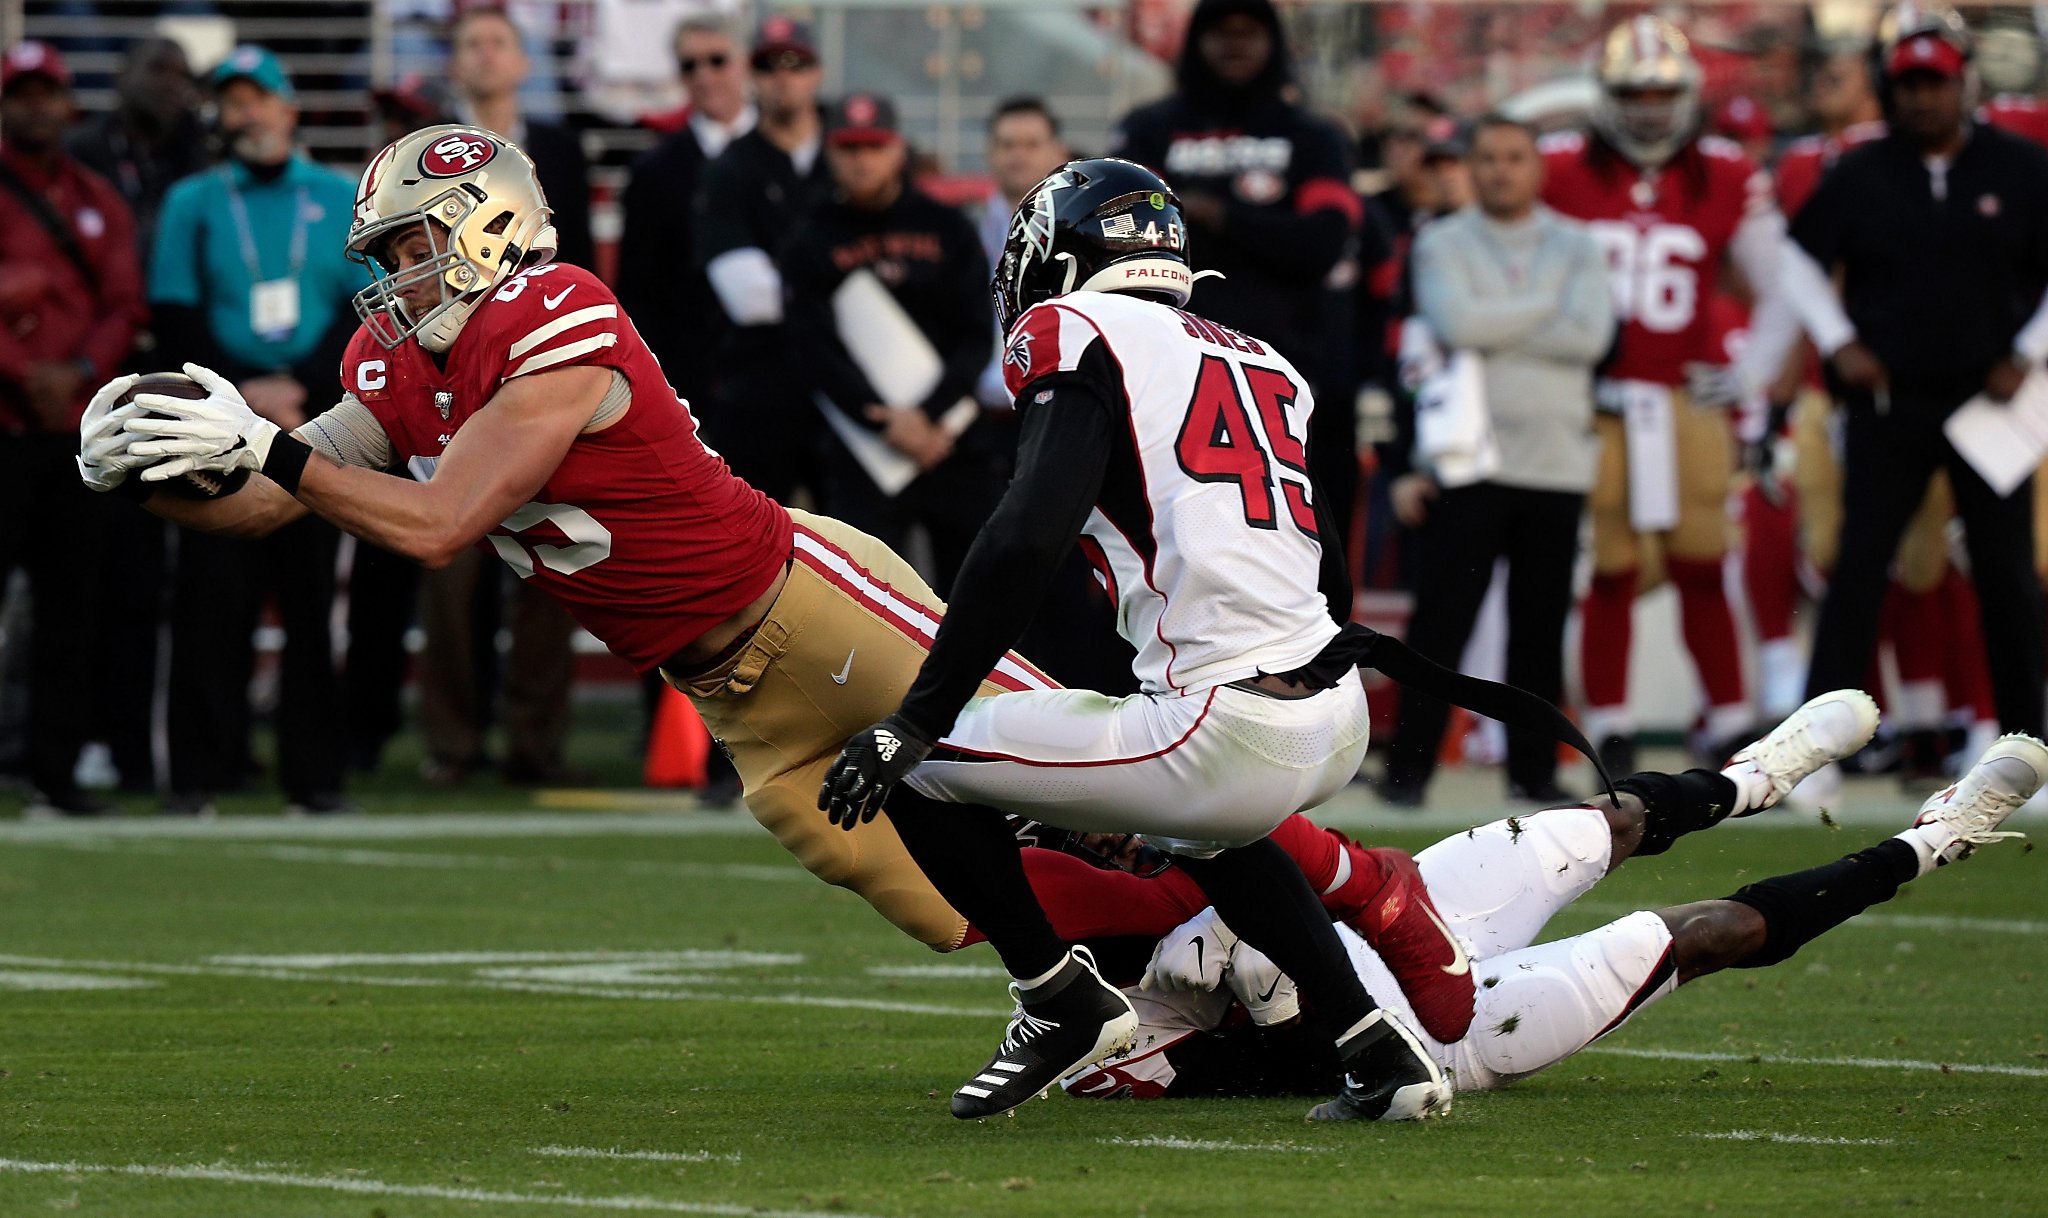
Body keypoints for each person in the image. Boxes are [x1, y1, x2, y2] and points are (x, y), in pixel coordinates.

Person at [81, 125, 1430, 1128]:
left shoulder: (559, 308)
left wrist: (265, 444)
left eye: (413, 241)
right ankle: (1102, 988)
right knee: (933, 890)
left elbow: (437, 521)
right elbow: (281, 501)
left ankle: (1361, 904)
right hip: (719, 684)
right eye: (384, 253)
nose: (394, 273)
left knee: (1074, 777)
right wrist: (174, 472)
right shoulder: (390, 359)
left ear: (485, 224)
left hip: (810, 596)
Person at [820, 157, 1480, 1124]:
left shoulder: (1072, 326)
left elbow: (1026, 532)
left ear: (1060, 255)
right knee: (1210, 824)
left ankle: (1060, 1000)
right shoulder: (1259, 356)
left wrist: (916, 716)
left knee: (914, 769)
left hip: (1224, 723)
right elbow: (1328, 560)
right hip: (1333, 712)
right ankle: (1372, 1046)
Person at [1058, 700, 2046, 1102]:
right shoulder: (1107, 1004)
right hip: (1434, 1032)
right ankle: (1933, 838)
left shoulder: (1180, 822)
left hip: (1403, 918)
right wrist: (1251, 998)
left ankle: (1751, 778)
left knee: (1596, 824)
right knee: (1704, 933)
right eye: (1087, 836)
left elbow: (1307, 844)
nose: (1116, 837)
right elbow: (1261, 1069)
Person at [1783, 14, 2048, 743]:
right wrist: (1839, 342)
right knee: (1859, 571)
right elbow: (1797, 258)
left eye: (1935, 83)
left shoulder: (2022, 167)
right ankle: (1812, 754)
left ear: (1964, 82)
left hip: (1990, 400)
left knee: (2008, 578)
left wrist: (2027, 350)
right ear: (1888, 89)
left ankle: (2027, 748)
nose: (1922, 99)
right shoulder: (1862, 171)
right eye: (1909, 85)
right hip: (1889, 399)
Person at [1541, 16, 1789, 773]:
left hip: (1686, 397)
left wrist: (1750, 374)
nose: (1649, 107)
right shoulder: (1559, 168)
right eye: (1634, 92)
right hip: (1597, 397)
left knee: (1702, 559)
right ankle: (1610, 726)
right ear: (1607, 95)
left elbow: (1784, 286)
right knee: (1610, 566)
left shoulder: (1726, 171)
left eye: (1662, 92)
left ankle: (1731, 719)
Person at [146, 46, 363, 816]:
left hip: (312, 423)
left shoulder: (340, 194)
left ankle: (314, 777)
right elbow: (174, 309)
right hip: (216, 426)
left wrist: (298, 384)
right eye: (232, 102)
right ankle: (201, 772)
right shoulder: (193, 201)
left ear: (289, 110)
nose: (247, 115)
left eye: (258, 99)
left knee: (311, 608)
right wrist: (242, 394)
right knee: (211, 602)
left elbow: (363, 310)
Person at [1378, 115, 1615, 807]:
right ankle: (1408, 773)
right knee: (1439, 626)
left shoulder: (1578, 243)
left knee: (1539, 632)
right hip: (1469, 460)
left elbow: (1593, 334)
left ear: (1538, 167)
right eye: (1487, 157)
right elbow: (1457, 325)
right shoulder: (1442, 241)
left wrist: (1498, 316)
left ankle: (1533, 773)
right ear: (1469, 168)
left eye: (1514, 156)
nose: (1500, 169)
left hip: (1556, 461)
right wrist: (1547, 308)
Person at [1112, 0, 1363, 564]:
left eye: (1250, 32)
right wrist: (1264, 232)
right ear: (1195, 41)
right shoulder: (1148, 128)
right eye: (1220, 32)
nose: (1234, 44)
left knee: (1294, 559)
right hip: (1166, 379)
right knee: (1167, 558)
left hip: (1286, 380)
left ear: (1274, 43)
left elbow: (1325, 241)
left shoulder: (1313, 137)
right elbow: (1115, 239)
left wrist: (1215, 216)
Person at [0, 41, 145, 815]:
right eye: (18, 93)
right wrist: (25, 373)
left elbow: (125, 302)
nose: (33, 106)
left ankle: (54, 772)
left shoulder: (97, 196)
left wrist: (79, 371)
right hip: (7, 420)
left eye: (43, 92)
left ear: (65, 103)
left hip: (76, 429)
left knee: (72, 609)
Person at [782, 92, 996, 591]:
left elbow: (976, 336)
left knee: (975, 597)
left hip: (952, 444)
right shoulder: (809, 236)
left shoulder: (948, 227)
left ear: (898, 149)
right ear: (830, 152)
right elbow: (813, 348)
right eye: (849, 147)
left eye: (874, 146)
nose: (861, 160)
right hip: (863, 451)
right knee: (871, 603)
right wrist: (881, 419)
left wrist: (928, 419)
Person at [692, 15, 830, 504]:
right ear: (753, 75)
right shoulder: (730, 168)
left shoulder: (852, 150)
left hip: (851, 396)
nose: (783, 77)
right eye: (769, 65)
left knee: (866, 547)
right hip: (759, 390)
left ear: (817, 72)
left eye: (796, 64)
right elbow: (751, 299)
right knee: (752, 548)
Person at [618, 13, 755, 411]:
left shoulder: (783, 154)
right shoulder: (653, 170)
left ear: (743, 62)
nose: (704, 75)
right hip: (689, 376)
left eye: (717, 60)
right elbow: (638, 288)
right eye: (689, 64)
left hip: (783, 372)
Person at [447, 4, 591, 269]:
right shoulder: (431, 147)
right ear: (453, 66)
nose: (486, 55)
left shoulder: (563, 150)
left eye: (498, 43)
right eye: (473, 44)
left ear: (524, 64)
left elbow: (578, 251)